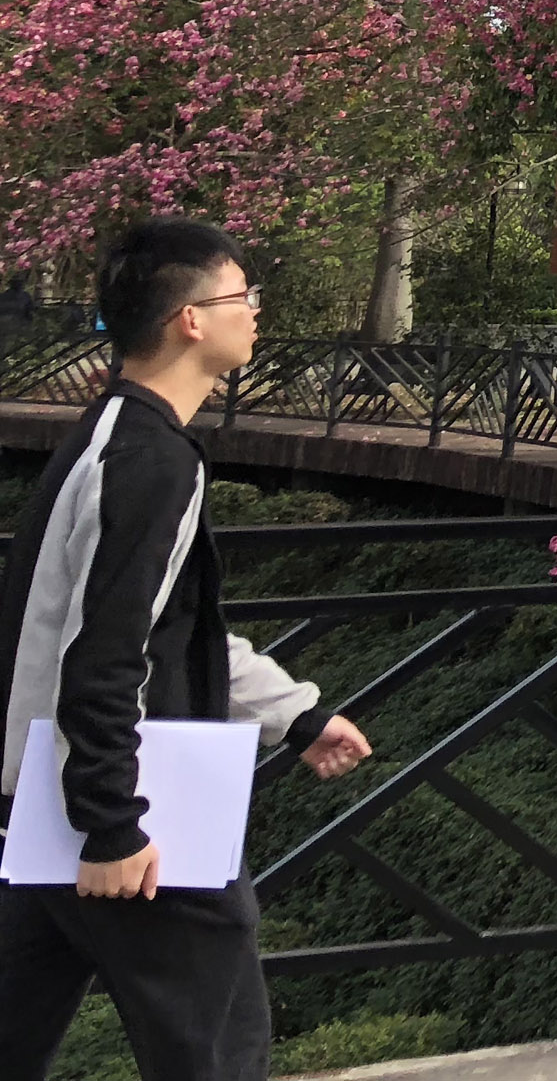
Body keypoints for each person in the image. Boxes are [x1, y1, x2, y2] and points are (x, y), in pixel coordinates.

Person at [0, 221, 375, 1081]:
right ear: (189, 320)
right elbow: (104, 655)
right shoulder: (149, 460)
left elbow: (163, 630)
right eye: (243, 294)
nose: (257, 311)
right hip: (127, 821)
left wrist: (295, 715)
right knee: (216, 1051)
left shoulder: (109, 438)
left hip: (39, 808)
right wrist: (110, 824)